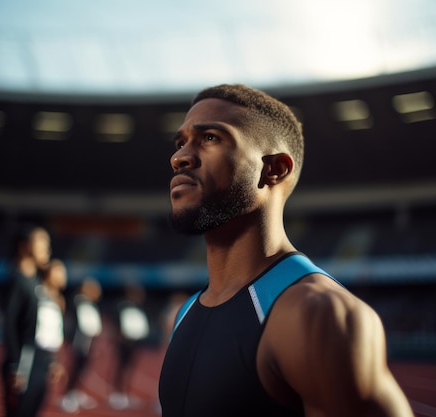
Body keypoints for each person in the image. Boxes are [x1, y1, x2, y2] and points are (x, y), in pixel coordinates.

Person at [158, 84, 414, 417]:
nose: (179, 157)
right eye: (181, 142)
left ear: (275, 168)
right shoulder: (187, 311)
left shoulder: (319, 315)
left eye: (211, 138)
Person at [0, 225, 52, 417]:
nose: (48, 248)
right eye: (42, 242)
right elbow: (10, 325)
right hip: (22, 365)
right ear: (24, 247)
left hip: (38, 364)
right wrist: (15, 366)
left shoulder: (36, 283)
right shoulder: (17, 281)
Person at [59, 277, 103, 413]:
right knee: (74, 368)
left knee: (82, 369)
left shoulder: (91, 304)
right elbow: (72, 320)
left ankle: (75, 392)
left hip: (88, 343)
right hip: (77, 342)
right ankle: (67, 395)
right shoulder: (76, 301)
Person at [109, 282, 151, 410]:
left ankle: (124, 393)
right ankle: (116, 394)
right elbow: (116, 322)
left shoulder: (139, 307)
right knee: (121, 367)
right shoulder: (122, 305)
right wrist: (118, 334)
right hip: (124, 342)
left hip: (134, 342)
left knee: (129, 368)